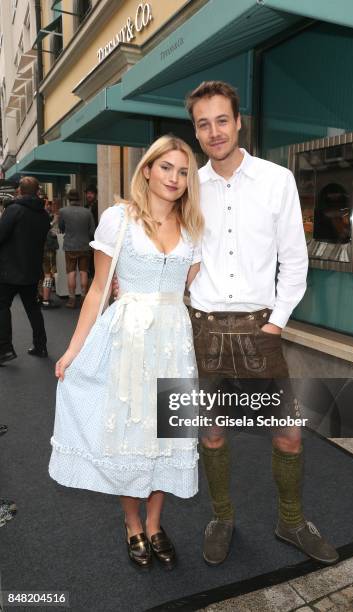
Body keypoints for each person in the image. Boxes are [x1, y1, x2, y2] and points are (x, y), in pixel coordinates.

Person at [185, 81, 338, 566]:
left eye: (221, 120)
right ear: (196, 130)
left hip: (259, 329)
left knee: (288, 433)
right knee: (211, 432)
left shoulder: (277, 179)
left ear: (238, 121)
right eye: (203, 124)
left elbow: (295, 260)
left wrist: (275, 324)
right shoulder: (188, 184)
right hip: (205, 328)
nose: (214, 132)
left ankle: (290, 521)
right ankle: (222, 517)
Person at [48, 135, 204, 570]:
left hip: (173, 342)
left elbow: (189, 287)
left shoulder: (193, 226)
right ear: (148, 170)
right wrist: (73, 350)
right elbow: (98, 289)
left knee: (167, 436)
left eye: (183, 171)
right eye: (167, 167)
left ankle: (156, 523)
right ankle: (133, 523)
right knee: (130, 436)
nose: (175, 178)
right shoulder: (118, 219)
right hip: (128, 341)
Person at [0, 176, 50, 363]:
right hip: (31, 269)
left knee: (2, 307)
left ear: (19, 191)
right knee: (33, 308)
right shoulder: (43, 214)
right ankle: (40, 345)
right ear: (37, 191)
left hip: (8, 270)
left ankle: (5, 349)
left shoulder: (13, 210)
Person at [58, 189, 95, 308]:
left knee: (71, 272)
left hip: (70, 245)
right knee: (84, 272)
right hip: (85, 245)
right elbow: (92, 231)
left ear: (68, 199)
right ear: (79, 198)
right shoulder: (87, 212)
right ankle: (84, 297)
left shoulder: (63, 211)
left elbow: (61, 227)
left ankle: (71, 299)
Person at [41, 197, 60, 309]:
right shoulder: (44, 215)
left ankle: (43, 297)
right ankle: (46, 300)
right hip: (48, 248)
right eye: (48, 204)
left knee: (45, 274)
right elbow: (49, 230)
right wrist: (54, 222)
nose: (50, 206)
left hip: (42, 248)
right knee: (48, 274)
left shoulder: (40, 214)